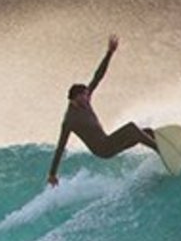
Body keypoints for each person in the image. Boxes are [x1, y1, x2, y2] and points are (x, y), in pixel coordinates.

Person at [47, 35, 158, 186]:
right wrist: (53, 174)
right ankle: (163, 153)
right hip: (103, 150)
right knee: (132, 128)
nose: (87, 99)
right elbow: (60, 147)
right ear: (73, 99)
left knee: (147, 132)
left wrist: (109, 53)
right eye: (83, 97)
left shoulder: (85, 101)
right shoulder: (70, 120)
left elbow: (97, 77)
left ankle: (168, 151)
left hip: (110, 142)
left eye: (87, 95)